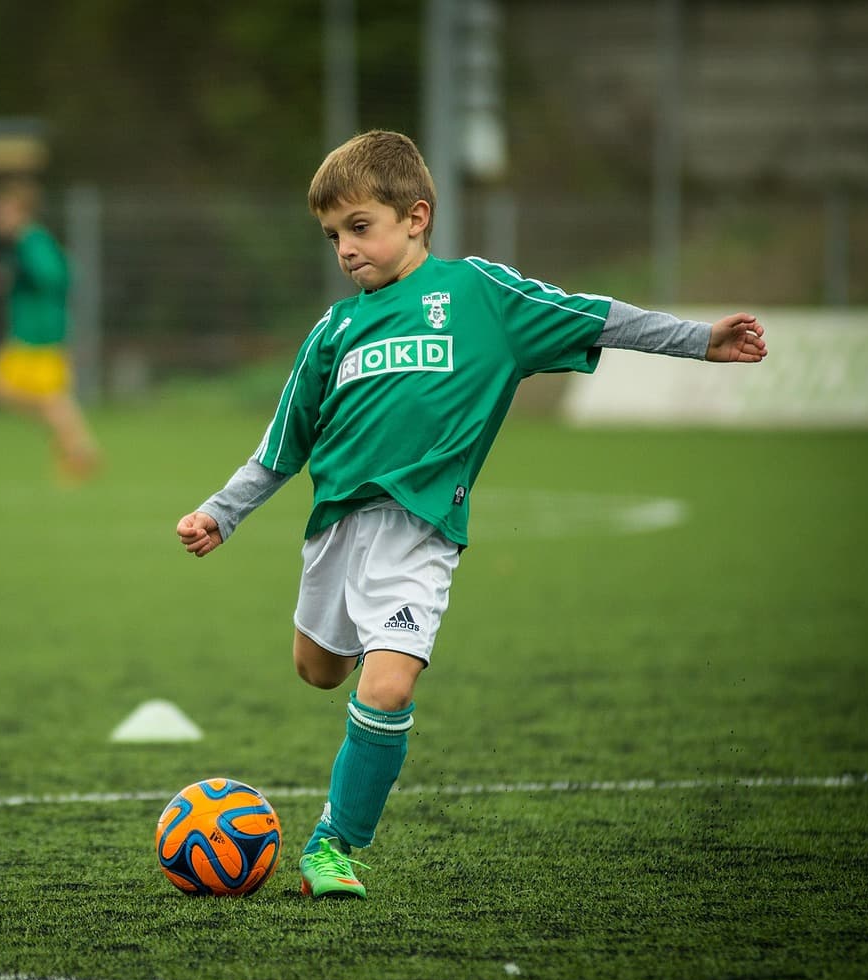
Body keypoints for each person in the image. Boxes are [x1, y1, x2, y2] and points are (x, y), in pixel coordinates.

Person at [175, 130, 767, 900]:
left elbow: (594, 315)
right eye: (332, 237)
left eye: (361, 227)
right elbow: (281, 445)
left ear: (415, 216)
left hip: (420, 532)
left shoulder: (480, 296)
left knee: (385, 689)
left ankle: (334, 844)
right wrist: (222, 514)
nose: (346, 249)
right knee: (318, 670)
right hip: (336, 533)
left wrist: (698, 340)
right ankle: (370, 661)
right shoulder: (334, 331)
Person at [0, 177, 100, 479]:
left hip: (41, 333)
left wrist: (20, 274)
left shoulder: (31, 241)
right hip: (28, 332)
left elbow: (57, 275)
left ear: (20, 212)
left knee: (45, 397)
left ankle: (78, 449)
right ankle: (73, 444)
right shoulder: (23, 244)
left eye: (2, 210)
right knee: (10, 391)